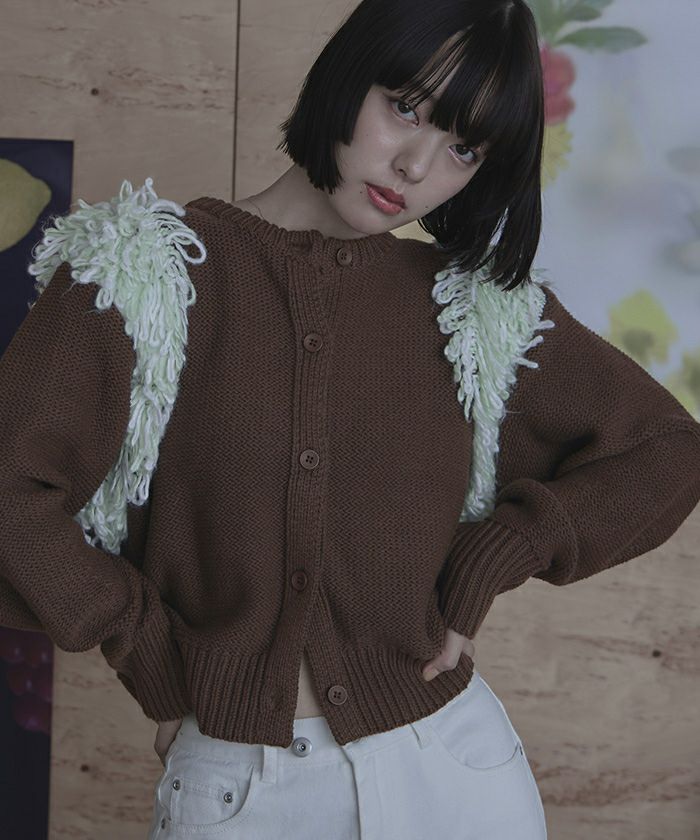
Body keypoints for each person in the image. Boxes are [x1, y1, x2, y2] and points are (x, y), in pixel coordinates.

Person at [1, 0, 699, 838]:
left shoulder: (471, 312)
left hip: (454, 773)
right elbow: (11, 490)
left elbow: (667, 450)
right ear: (348, 71)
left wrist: (500, 553)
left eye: (464, 149)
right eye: (405, 107)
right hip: (240, 793)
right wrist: (144, 649)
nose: (415, 164)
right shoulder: (145, 271)